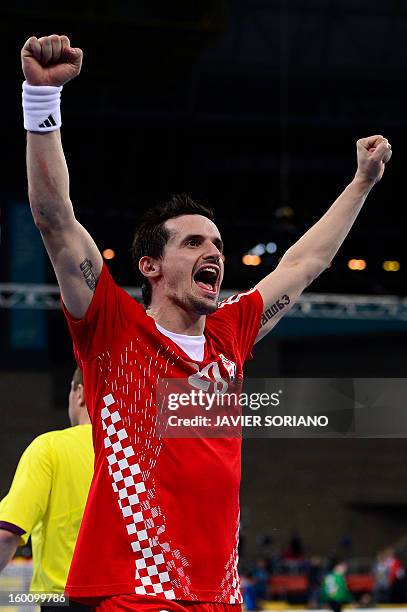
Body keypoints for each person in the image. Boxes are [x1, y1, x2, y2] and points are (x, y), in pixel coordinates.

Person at [20, 33, 392, 612]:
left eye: (216, 242)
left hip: (218, 596)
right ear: (150, 266)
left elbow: (304, 261)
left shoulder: (229, 334)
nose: (213, 251)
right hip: (132, 591)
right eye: (193, 242)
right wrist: (41, 100)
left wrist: (362, 182)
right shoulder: (113, 328)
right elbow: (54, 220)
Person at [0, 368, 93, 611]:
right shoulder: (139, 456)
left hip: (64, 602)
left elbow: (7, 534)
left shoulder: (49, 449)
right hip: (132, 602)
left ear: (79, 393)